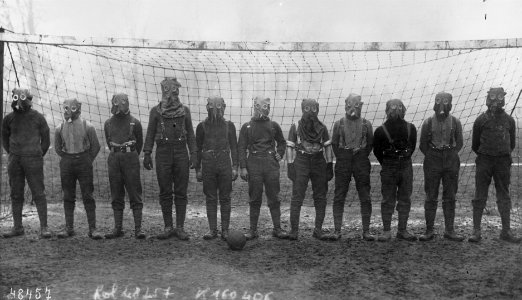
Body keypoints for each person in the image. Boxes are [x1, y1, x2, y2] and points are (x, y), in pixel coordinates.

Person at [143, 77, 197, 240]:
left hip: (181, 152)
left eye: (175, 90)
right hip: (163, 153)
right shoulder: (156, 111)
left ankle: (180, 228)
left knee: (181, 191)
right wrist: (147, 153)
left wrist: (193, 153)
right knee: (165, 190)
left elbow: (191, 135)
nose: (171, 95)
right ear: (163, 91)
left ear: (178, 91)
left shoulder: (185, 111)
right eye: (168, 90)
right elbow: (150, 133)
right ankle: (168, 227)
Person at [469, 87, 520, 243]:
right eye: (492, 97)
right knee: (480, 195)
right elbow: (474, 144)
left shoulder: (509, 120)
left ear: (503, 99)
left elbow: (511, 144)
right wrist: (487, 155)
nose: (496, 101)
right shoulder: (480, 120)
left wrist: (500, 156)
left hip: (503, 162)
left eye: (499, 97)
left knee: (503, 195)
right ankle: (476, 231)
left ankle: (506, 231)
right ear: (487, 98)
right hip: (484, 160)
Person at [1, 88, 52, 238]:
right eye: (16, 97)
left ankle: (44, 227)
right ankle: (17, 227)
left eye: (22, 97)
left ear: (29, 98)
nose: (19, 101)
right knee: (16, 193)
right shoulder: (8, 119)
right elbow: (4, 139)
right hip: (15, 160)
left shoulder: (38, 117)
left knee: (38, 192)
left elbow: (46, 139)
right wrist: (14, 153)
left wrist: (36, 154)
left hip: (33, 160)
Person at [238, 96, 289, 240]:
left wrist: (279, 153)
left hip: (270, 164)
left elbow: (282, 142)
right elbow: (241, 147)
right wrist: (243, 167)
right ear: (256, 106)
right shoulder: (247, 126)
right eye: (263, 105)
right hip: (253, 163)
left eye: (268, 105)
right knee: (254, 197)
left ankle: (277, 229)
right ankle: (253, 230)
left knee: (274, 196)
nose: (266, 108)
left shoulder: (273, 125)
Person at [418, 92, 464, 242]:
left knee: (450, 195)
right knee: (431, 195)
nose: (442, 105)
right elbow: (423, 145)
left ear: (450, 103)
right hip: (433, 159)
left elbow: (460, 143)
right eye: (439, 101)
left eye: (445, 101)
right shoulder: (427, 122)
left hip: (451, 158)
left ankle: (449, 230)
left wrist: (449, 154)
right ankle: (429, 230)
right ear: (435, 103)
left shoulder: (456, 122)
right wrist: (433, 154)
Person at [285, 99, 334, 240]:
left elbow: (328, 147)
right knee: (297, 196)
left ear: (317, 110)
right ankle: (294, 231)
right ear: (302, 109)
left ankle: (318, 230)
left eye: (313, 109)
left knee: (320, 196)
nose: (310, 112)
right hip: (301, 161)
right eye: (307, 108)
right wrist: (290, 165)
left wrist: (329, 165)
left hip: (319, 161)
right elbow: (290, 146)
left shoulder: (322, 128)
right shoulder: (295, 126)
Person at [55, 98, 103, 239]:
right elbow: (57, 148)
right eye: (66, 108)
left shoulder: (88, 126)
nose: (69, 111)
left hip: (83, 162)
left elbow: (96, 146)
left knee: (88, 195)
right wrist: (67, 158)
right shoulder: (60, 128)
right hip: (67, 163)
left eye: (73, 108)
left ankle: (92, 229)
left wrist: (87, 160)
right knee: (68, 195)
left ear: (78, 108)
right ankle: (69, 228)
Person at [329, 93, 374, 241]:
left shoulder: (367, 124)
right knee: (339, 195)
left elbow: (370, 145)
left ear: (361, 106)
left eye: (356, 104)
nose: (352, 108)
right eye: (350, 104)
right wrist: (344, 156)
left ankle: (366, 231)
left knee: (365, 196)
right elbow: (334, 144)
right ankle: (337, 230)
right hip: (343, 161)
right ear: (345, 105)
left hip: (361, 161)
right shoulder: (339, 123)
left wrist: (360, 154)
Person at [373, 99, 418, 242]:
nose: (396, 110)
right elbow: (377, 151)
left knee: (405, 198)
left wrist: (402, 159)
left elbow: (412, 146)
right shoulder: (380, 131)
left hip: (406, 165)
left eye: (399, 107)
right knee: (388, 199)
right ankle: (386, 231)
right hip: (389, 166)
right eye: (392, 107)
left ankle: (402, 230)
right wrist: (388, 163)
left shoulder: (411, 128)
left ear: (404, 109)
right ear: (387, 110)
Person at [195, 96, 238, 240]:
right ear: (207, 107)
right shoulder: (201, 126)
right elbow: (197, 147)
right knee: (211, 197)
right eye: (212, 106)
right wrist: (198, 169)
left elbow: (234, 147)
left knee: (225, 197)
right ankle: (212, 229)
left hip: (224, 162)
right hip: (208, 164)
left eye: (219, 106)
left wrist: (235, 167)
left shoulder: (229, 126)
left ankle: (225, 230)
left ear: (224, 107)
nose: (216, 109)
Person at [103, 93, 145, 239]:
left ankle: (138, 229)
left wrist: (130, 154)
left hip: (130, 159)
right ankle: (117, 228)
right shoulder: (108, 123)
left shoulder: (135, 122)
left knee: (134, 192)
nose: (120, 105)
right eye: (117, 102)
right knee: (116, 192)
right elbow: (108, 141)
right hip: (114, 159)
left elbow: (139, 143)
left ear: (127, 103)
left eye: (123, 102)